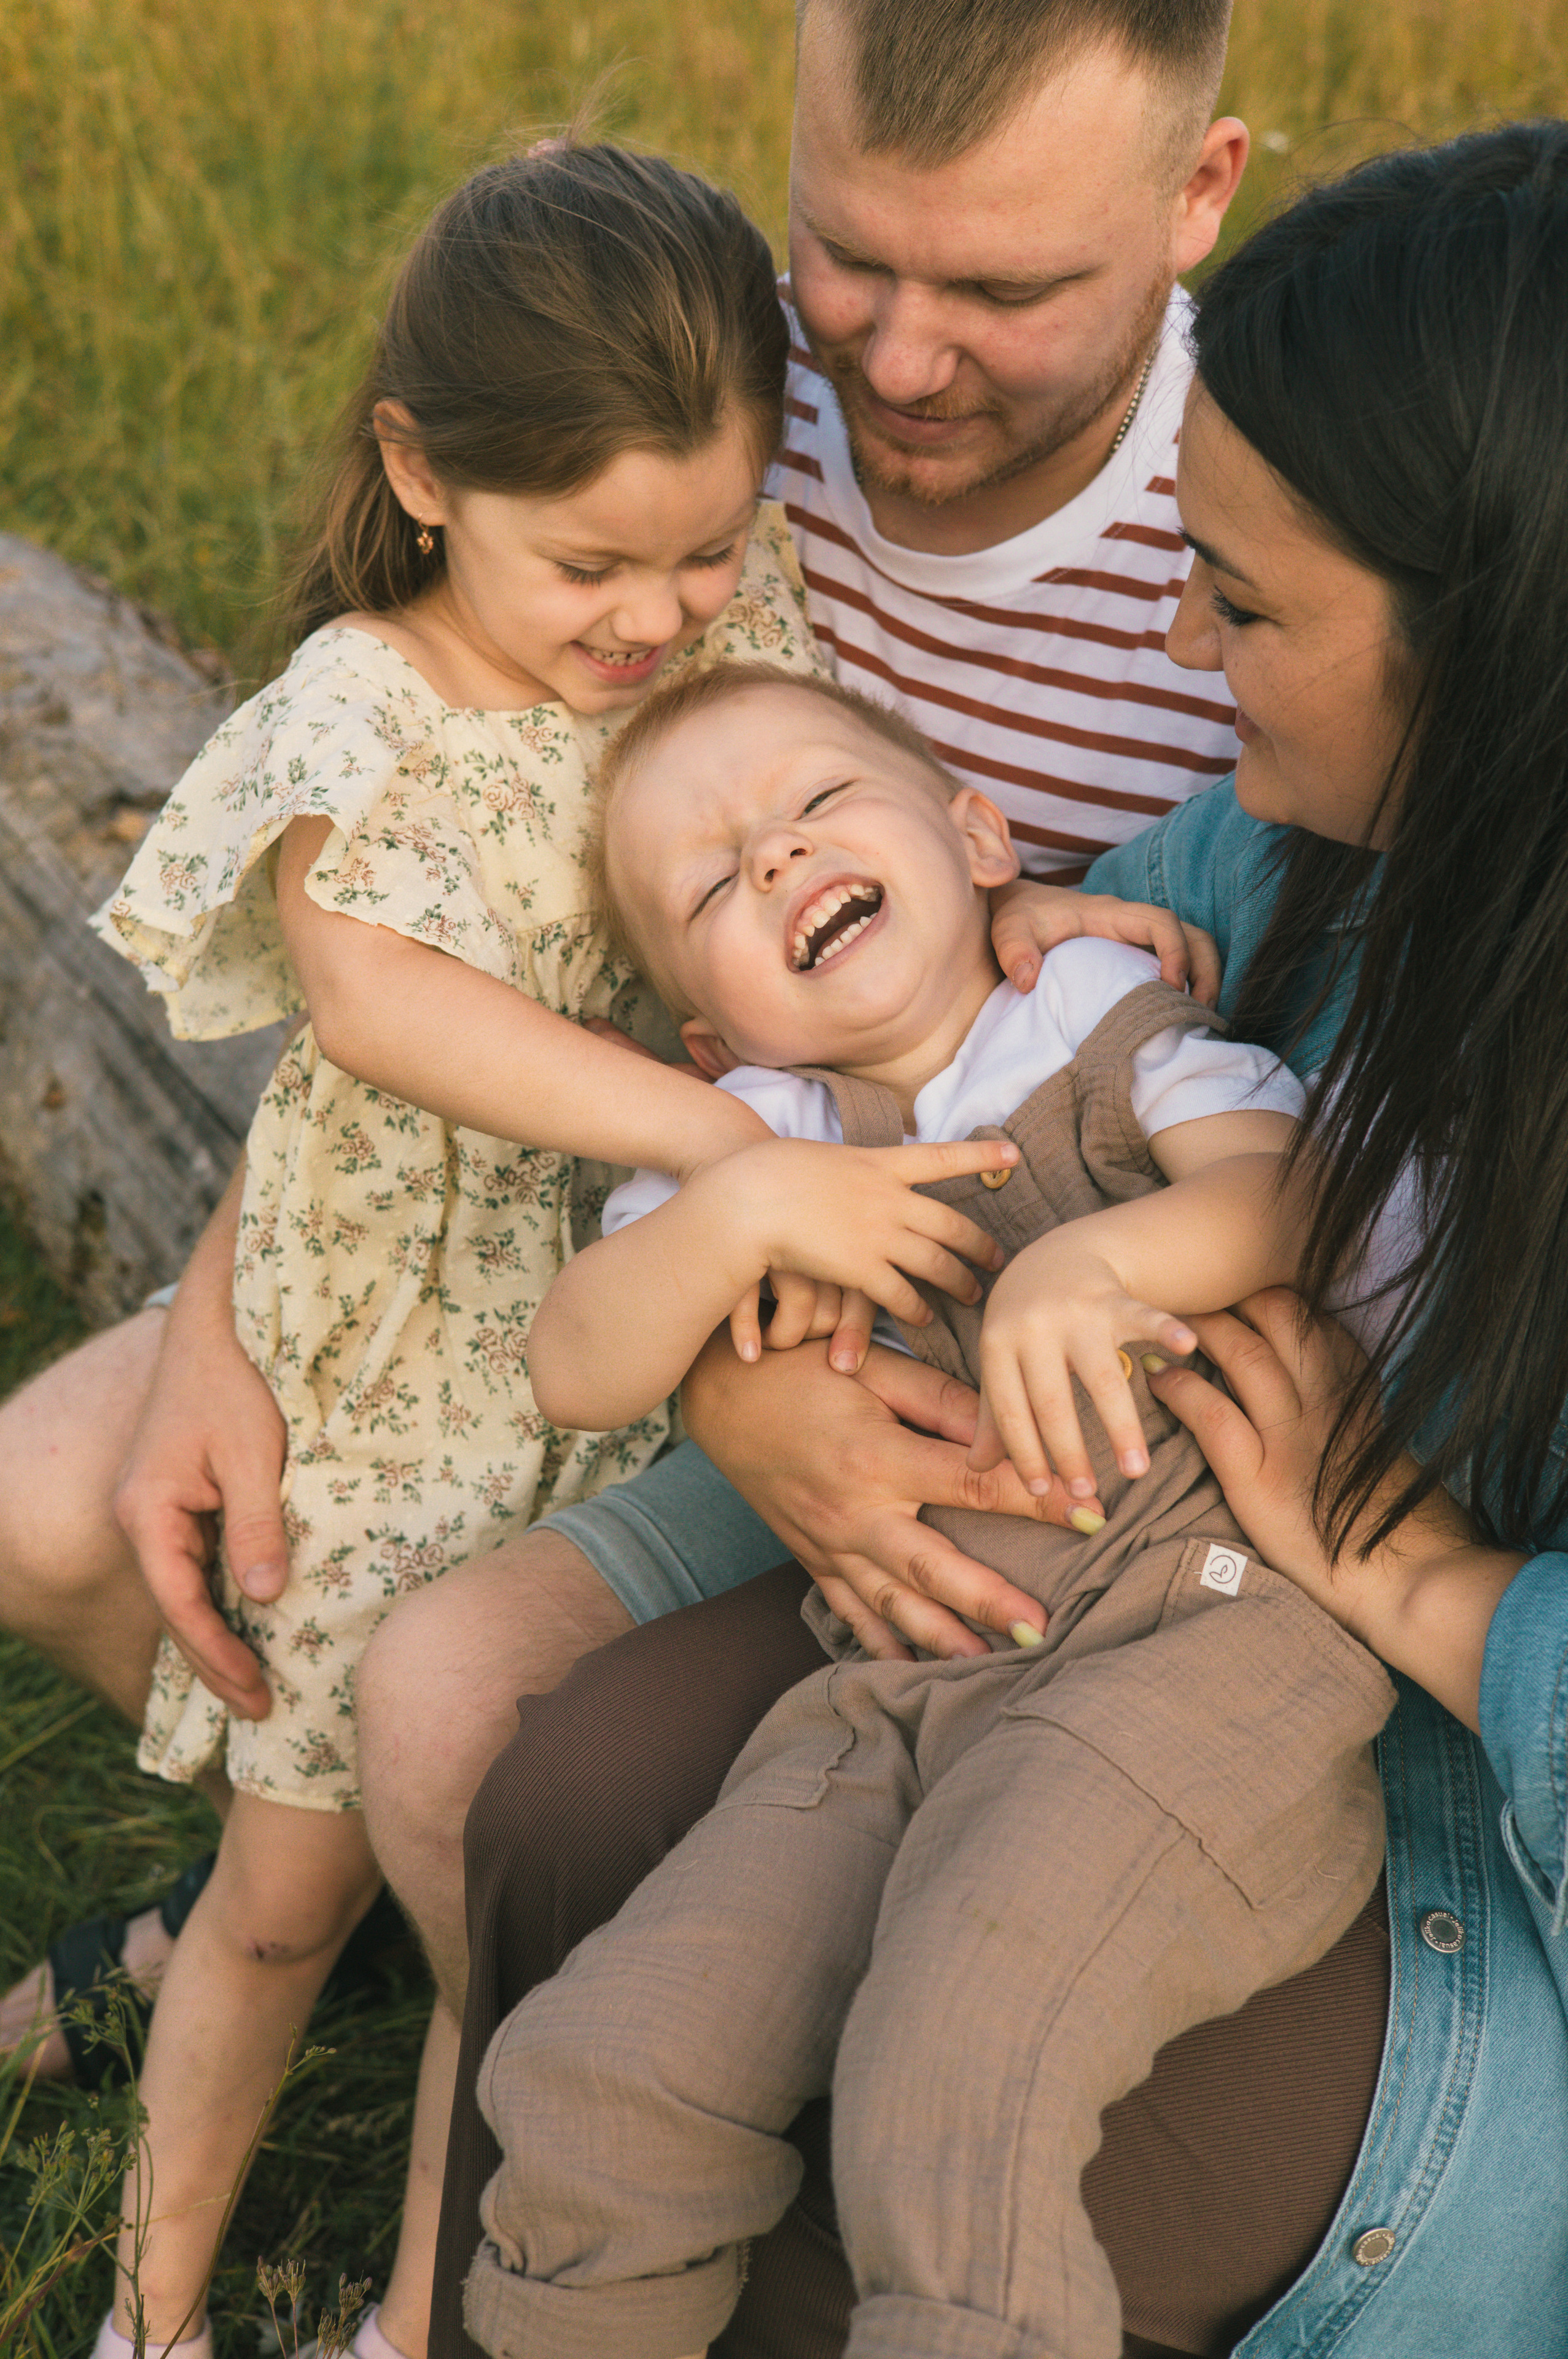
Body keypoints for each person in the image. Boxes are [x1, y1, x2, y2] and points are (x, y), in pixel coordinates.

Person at [0, 0, 1247, 2162]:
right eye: (849, 261)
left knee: (466, 1690)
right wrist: (224, 1312)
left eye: (1010, 289)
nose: (908, 364)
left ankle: (516, 1987)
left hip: (958, 1277)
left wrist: (1027, 915)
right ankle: (381, 1904)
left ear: (1199, 196)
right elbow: (421, 953)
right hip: (624, 1203)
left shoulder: (1246, 510)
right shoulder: (720, 410)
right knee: (54, 1506)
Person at [439, 122, 1568, 2358]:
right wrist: (754, 1377)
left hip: (1391, 1789)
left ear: (1498, 642)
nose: (1178, 646)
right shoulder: (1290, 849)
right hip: (1013, 1606)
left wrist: (1416, 1578)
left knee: (931, 2094)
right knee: (569, 1825)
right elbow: (986, 974)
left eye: (1240, 606)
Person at [58, 139, 846, 2359]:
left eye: (705, 544)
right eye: (594, 558)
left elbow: (820, 809)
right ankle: (154, 2310)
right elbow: (378, 1001)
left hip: (625, 1361)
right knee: (288, 1896)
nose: (661, 610)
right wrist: (721, 1137)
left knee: (514, 1898)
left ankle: (419, 2320)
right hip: (397, 1376)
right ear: (419, 469)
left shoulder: (731, 608)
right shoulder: (362, 714)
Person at [462, 656, 1394, 2359]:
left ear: (978, 836)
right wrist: (737, 1220)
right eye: (711, 880)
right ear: (713, 1035)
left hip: (1201, 1648)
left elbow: (1299, 1196)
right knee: (602, 2073)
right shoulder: (762, 1137)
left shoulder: (1096, 1014)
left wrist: (1094, 1259)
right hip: (903, 1692)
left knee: (954, 2069)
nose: (773, 860)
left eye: (816, 802)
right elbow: (578, 1365)